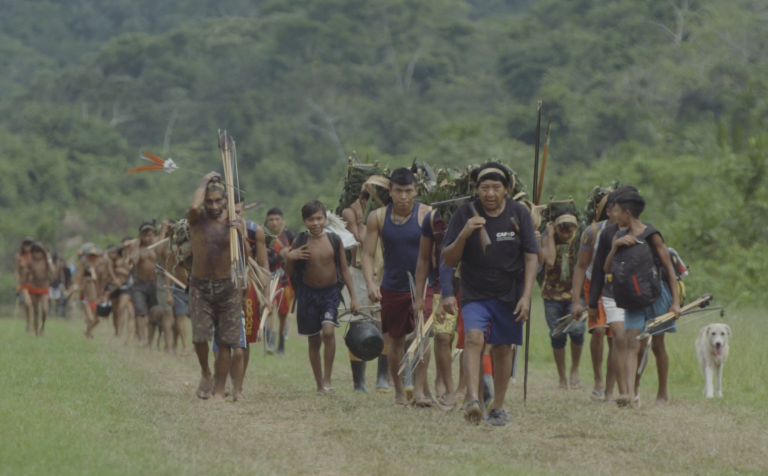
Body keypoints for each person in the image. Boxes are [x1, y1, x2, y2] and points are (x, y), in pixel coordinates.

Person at [442, 163, 538, 426]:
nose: (491, 193)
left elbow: (531, 258)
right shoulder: (464, 213)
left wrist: (527, 296)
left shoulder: (518, 214)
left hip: (509, 291)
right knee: (473, 338)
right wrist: (464, 234)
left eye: (496, 187)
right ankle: (473, 399)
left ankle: (499, 405)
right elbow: (448, 259)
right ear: (476, 190)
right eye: (485, 187)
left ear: (506, 189)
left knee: (503, 348)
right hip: (474, 290)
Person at [362, 168, 434, 407]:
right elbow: (368, 254)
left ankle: (421, 390)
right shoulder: (378, 217)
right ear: (390, 191)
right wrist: (371, 283)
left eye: (408, 191)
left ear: (416, 191)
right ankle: (400, 392)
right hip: (392, 286)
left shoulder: (428, 215)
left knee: (424, 338)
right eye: (398, 191)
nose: (404, 196)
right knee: (395, 339)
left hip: (423, 287)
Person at [602, 191, 681, 408]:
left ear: (627, 213)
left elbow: (669, 268)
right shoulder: (618, 236)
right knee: (631, 343)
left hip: (657, 296)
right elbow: (606, 268)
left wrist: (675, 302)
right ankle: (628, 395)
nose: (615, 216)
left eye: (617, 211)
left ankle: (662, 393)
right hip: (631, 298)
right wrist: (616, 247)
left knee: (657, 345)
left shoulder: (652, 235)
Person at [286, 200, 359, 395]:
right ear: (304, 221)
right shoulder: (300, 242)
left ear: (325, 219)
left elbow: (344, 269)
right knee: (314, 340)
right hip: (308, 294)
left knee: (328, 332)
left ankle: (328, 379)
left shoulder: (334, 240)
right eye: (311, 219)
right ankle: (319, 384)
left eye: (319, 218)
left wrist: (353, 297)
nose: (316, 223)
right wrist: (290, 257)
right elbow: (289, 272)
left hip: (330, 293)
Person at [187, 172, 245, 403]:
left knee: (226, 342)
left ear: (226, 200)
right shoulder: (196, 219)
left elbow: (244, 258)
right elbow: (193, 205)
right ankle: (205, 372)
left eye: (218, 201)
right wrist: (204, 181)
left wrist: (240, 235)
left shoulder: (234, 222)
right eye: (209, 201)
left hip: (228, 287)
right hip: (200, 286)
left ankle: (219, 391)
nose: (213, 205)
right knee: (199, 337)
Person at [588, 186, 641, 407]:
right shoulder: (607, 234)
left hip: (638, 295)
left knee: (636, 343)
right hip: (611, 293)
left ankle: (632, 389)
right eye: (614, 209)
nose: (616, 213)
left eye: (620, 209)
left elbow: (658, 266)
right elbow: (600, 268)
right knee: (618, 337)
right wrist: (592, 302)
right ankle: (623, 393)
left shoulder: (647, 232)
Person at [571, 186, 616, 401]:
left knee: (616, 337)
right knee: (598, 331)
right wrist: (575, 301)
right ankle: (598, 379)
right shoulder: (592, 233)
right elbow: (581, 266)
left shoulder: (634, 231)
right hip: (594, 286)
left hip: (618, 288)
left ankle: (610, 386)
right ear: (607, 211)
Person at [341, 189, 389, 393]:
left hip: (383, 272)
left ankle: (382, 379)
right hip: (359, 275)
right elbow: (360, 237)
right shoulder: (350, 213)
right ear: (362, 199)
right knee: (357, 325)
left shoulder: (387, 214)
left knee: (384, 325)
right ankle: (359, 383)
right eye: (369, 199)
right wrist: (362, 214)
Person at [414, 209, 458, 410]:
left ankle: (467, 391)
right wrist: (419, 295)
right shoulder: (433, 219)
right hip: (441, 285)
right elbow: (424, 258)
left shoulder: (480, 211)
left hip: (474, 286)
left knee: (469, 338)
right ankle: (446, 387)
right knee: (441, 336)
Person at [538, 209, 584, 389]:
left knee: (577, 331)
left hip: (575, 296)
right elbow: (549, 261)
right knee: (557, 334)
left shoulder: (580, 242)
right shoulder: (549, 239)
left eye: (569, 229)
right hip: (552, 295)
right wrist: (549, 235)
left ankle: (574, 370)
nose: (565, 233)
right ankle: (562, 377)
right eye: (561, 229)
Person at [127, 220, 171, 347]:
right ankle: (142, 338)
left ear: (153, 234)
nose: (147, 237)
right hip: (139, 284)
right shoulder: (138, 248)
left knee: (156, 312)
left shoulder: (158, 245)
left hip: (154, 284)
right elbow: (134, 262)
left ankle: (152, 341)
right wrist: (135, 246)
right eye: (144, 235)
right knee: (140, 312)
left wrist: (164, 228)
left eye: (149, 234)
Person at [266, 207, 296, 355]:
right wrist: (279, 255)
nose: (274, 222)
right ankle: (270, 345)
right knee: (269, 310)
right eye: (271, 219)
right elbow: (263, 261)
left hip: (286, 281)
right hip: (270, 279)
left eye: (277, 219)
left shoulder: (290, 236)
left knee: (284, 315)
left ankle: (281, 346)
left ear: (282, 221)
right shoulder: (264, 237)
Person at [22, 242, 53, 337]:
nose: (37, 255)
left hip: (44, 288)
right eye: (35, 252)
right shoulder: (30, 263)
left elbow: (53, 271)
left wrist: (49, 259)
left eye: (39, 252)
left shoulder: (46, 262)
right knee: (35, 310)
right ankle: (35, 329)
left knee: (44, 309)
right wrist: (24, 281)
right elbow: (26, 276)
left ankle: (42, 327)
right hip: (34, 287)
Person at [77, 246, 104, 339]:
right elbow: (93, 277)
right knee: (91, 320)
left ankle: (88, 332)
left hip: (94, 301)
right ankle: (88, 334)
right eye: (91, 255)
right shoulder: (87, 278)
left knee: (97, 320)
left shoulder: (98, 267)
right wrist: (92, 269)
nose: (92, 257)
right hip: (87, 301)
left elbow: (99, 278)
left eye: (94, 255)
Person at [106, 244, 132, 338]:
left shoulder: (123, 260)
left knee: (121, 308)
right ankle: (117, 331)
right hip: (113, 287)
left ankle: (120, 333)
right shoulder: (109, 262)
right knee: (115, 311)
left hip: (124, 287)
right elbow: (109, 273)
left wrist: (120, 272)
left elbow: (128, 273)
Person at [15, 237, 35, 332]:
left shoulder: (35, 256)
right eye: (26, 244)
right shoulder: (18, 257)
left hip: (34, 283)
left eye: (30, 244)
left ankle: (34, 324)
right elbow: (16, 272)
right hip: (24, 283)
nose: (28, 246)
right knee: (27, 303)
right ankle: (28, 323)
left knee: (34, 304)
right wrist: (17, 285)